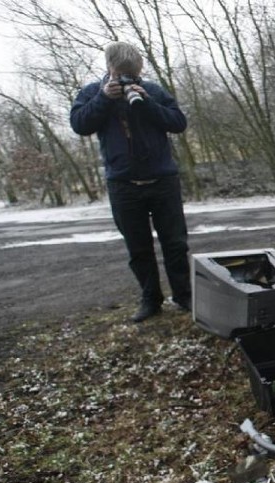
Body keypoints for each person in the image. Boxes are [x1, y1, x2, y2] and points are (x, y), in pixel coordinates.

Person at [70, 42, 191, 323]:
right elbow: (79, 125)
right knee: (138, 248)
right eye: (122, 75)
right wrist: (103, 99)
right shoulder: (92, 93)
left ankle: (184, 296)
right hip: (123, 185)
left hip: (163, 181)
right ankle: (151, 300)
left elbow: (178, 122)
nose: (128, 80)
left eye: (133, 75)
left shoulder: (153, 90)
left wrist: (146, 101)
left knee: (175, 244)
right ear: (110, 69)